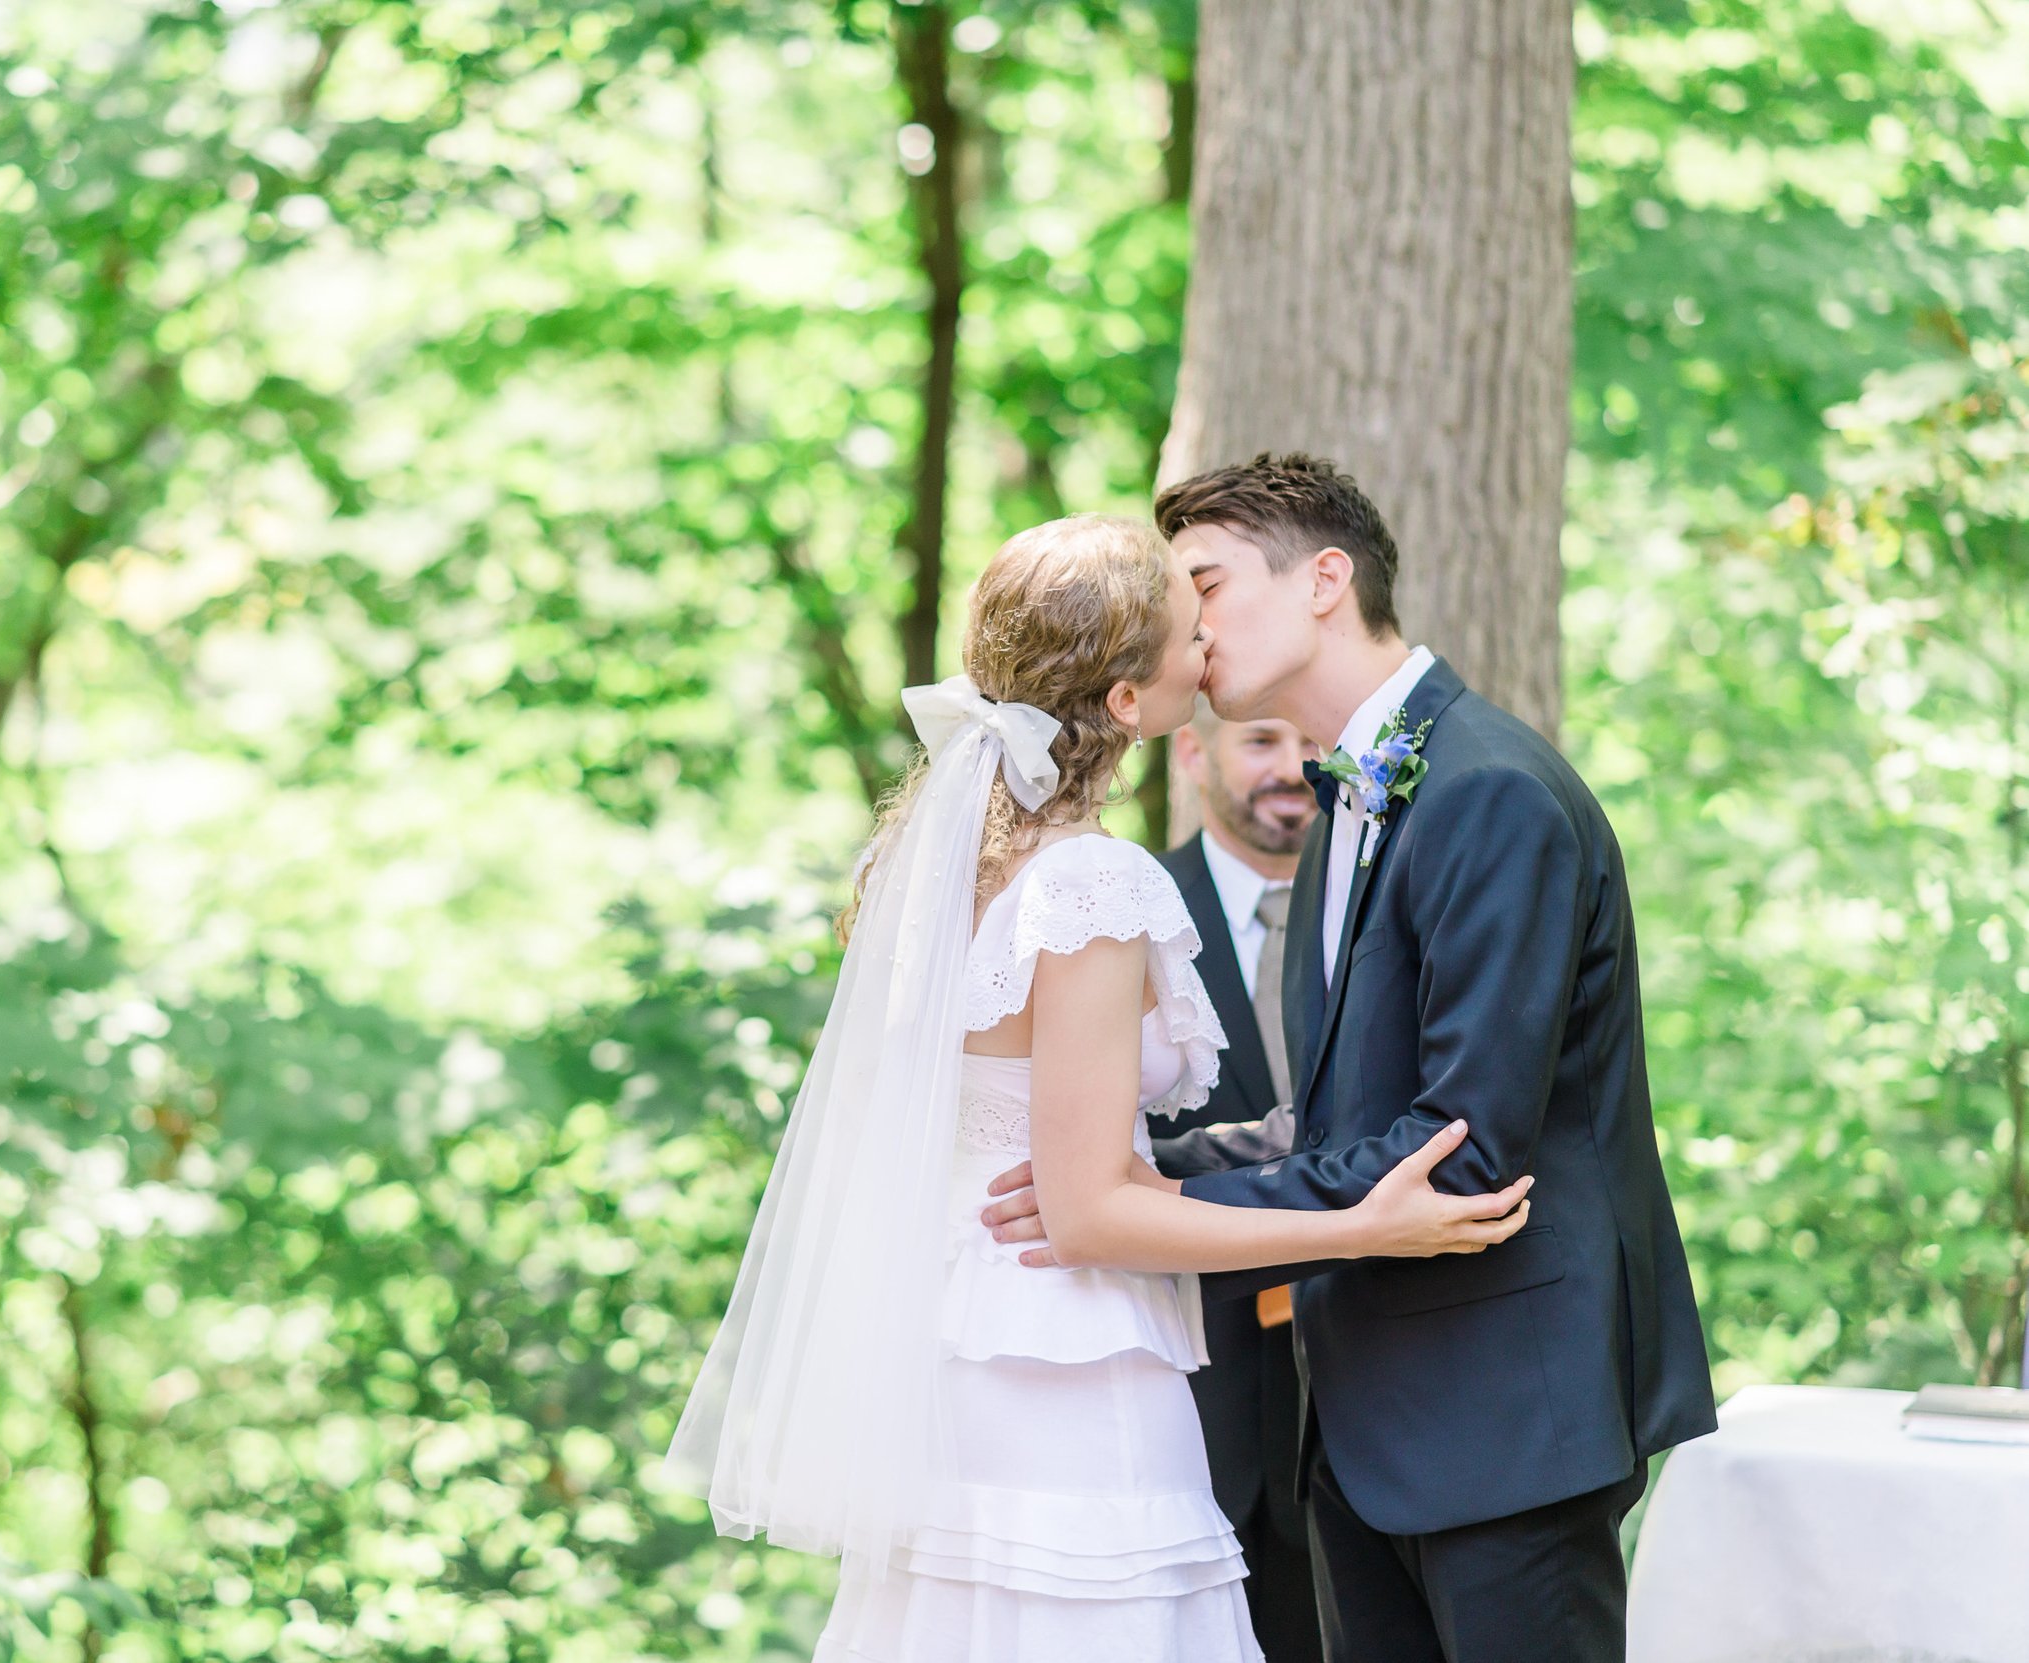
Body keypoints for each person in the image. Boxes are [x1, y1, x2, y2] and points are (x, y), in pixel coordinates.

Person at [669, 512, 1532, 1663]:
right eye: (1189, 633)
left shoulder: (940, 863)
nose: (1211, 650)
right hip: (1060, 1366)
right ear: (1130, 705)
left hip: (956, 1345)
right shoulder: (1084, 883)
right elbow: (1085, 1216)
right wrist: (1361, 1225)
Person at [983, 456, 1716, 1663]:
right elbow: (1341, 1119)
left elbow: (1462, 1147)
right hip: (1366, 1423)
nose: (1184, 625)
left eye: (1204, 584)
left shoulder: (1487, 791)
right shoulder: (1348, 803)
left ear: (1326, 578)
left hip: (1504, 1416)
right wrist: (1133, 1169)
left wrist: (1149, 1207)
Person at [1149, 705, 1321, 1661]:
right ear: (1192, 751)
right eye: (1261, 740)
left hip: (1369, 1400)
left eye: (1309, 744)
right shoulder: (1131, 910)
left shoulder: (1380, 904)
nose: (1292, 767)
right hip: (1191, 1392)